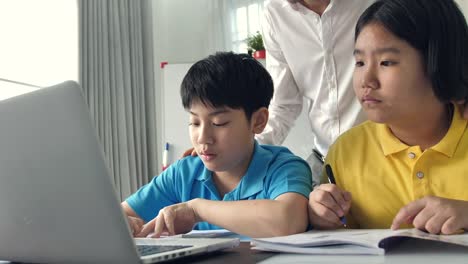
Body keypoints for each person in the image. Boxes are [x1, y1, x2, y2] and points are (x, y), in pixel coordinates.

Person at [308, 0, 468, 235]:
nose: (366, 80)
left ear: (441, 62)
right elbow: (341, 238)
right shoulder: (346, 151)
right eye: (360, 62)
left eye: (386, 62)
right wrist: (322, 216)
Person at [122, 52, 312, 238]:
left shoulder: (283, 167)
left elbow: (288, 220)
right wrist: (123, 222)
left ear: (258, 121)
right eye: (195, 123)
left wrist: (197, 210)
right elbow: (119, 214)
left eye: (219, 123)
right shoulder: (184, 174)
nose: (203, 138)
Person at [258, 0, 375, 184]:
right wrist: (243, 150)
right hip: (324, 159)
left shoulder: (370, 4)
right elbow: (283, 105)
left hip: (383, 158)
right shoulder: (275, 12)